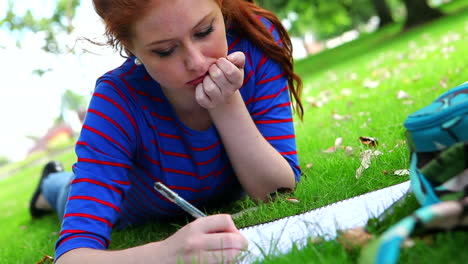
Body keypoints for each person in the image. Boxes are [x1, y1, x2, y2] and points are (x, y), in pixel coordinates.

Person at [29, 0, 304, 263]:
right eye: (164, 50)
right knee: (65, 191)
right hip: (132, 206)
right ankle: (48, 184)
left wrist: (225, 101)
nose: (196, 62)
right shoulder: (117, 102)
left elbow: (276, 192)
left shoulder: (255, 42)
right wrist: (164, 255)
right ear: (131, 47)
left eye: (204, 31)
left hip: (219, 187)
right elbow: (72, 256)